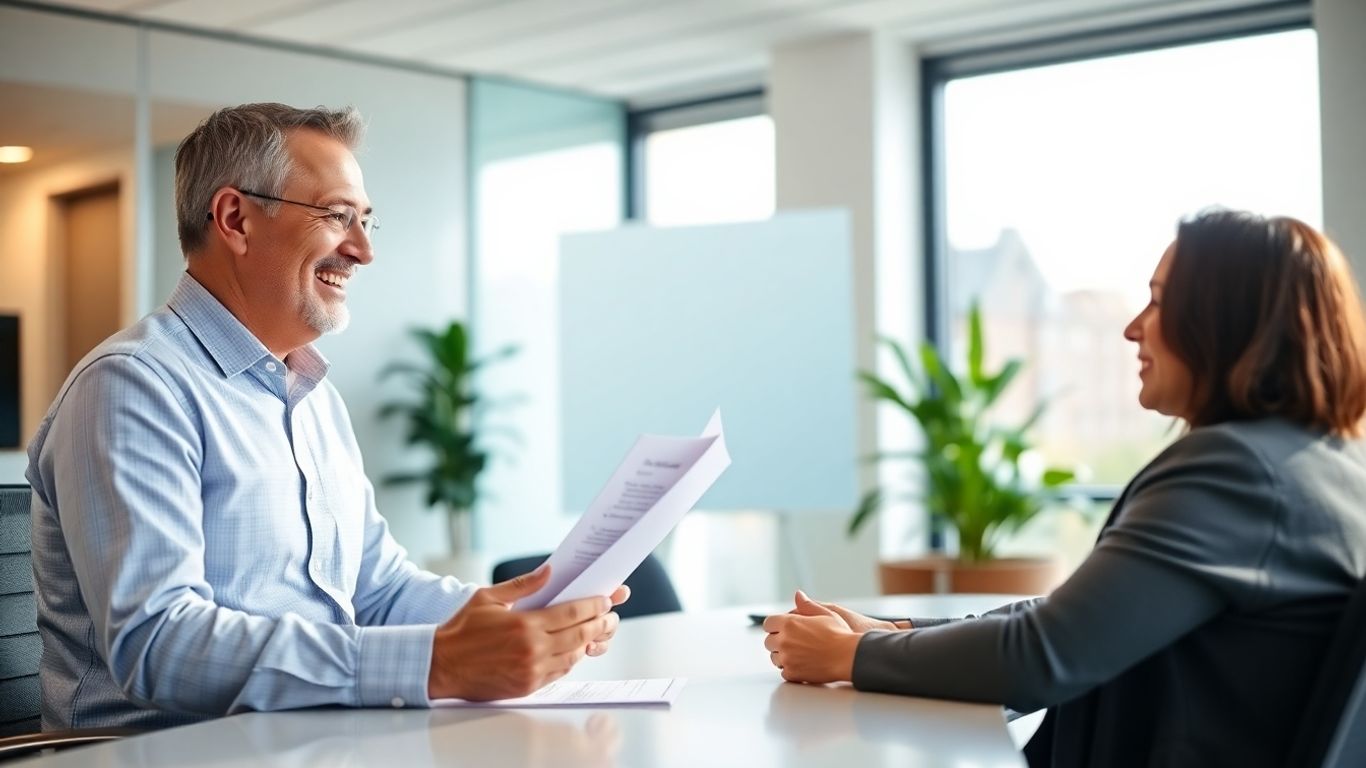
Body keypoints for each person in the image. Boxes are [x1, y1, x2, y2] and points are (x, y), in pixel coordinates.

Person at [26, 103, 626, 731]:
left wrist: (514, 618)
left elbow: (378, 590)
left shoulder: (311, 396)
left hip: (311, 741)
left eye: (366, 221)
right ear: (235, 219)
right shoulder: (133, 386)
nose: (363, 250)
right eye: (338, 217)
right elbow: (159, 643)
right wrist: (432, 663)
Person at [763, 210, 1366, 767]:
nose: (1133, 329)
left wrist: (848, 658)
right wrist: (891, 635)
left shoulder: (1235, 473)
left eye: (1159, 303)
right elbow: (1075, 618)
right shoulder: (1317, 466)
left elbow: (1041, 657)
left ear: (1229, 325)